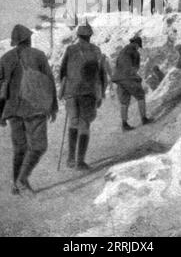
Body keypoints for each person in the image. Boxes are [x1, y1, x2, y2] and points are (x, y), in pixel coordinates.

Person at [0, 24, 58, 195]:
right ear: (29, 39)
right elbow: (49, 81)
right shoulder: (38, 55)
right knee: (39, 146)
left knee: (20, 148)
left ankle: (15, 184)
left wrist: (1, 113)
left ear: (15, 42)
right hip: (35, 107)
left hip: (13, 110)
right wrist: (53, 106)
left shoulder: (5, 58)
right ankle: (22, 179)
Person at [60, 23, 107, 171]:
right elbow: (102, 75)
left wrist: (64, 89)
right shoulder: (96, 51)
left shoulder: (70, 49)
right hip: (88, 93)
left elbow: (62, 71)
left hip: (72, 93)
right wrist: (101, 93)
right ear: (90, 36)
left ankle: (70, 159)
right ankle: (80, 162)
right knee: (84, 125)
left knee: (73, 123)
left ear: (78, 36)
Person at [112, 35, 151, 131]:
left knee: (124, 102)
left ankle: (124, 125)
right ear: (136, 44)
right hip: (127, 77)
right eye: (138, 46)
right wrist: (137, 79)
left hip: (118, 79)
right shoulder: (135, 52)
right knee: (141, 95)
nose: (138, 47)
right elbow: (135, 69)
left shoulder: (122, 52)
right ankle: (144, 119)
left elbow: (117, 66)